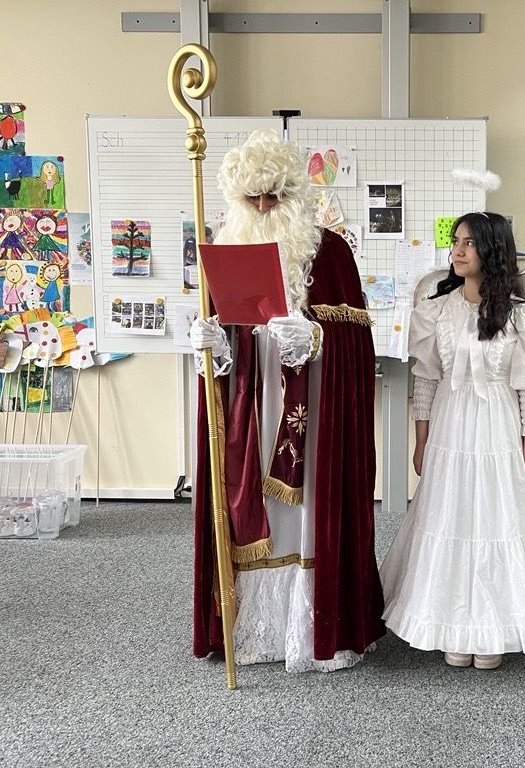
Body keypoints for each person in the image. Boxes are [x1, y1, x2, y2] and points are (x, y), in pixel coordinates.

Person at [189, 131, 385, 672]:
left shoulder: (332, 252)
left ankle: (320, 631)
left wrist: (317, 336)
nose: (262, 206)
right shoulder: (225, 251)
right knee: (254, 509)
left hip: (316, 412)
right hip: (252, 410)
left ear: (295, 194)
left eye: (273, 195)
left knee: (309, 515)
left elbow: (359, 345)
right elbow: (223, 338)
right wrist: (211, 344)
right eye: (251, 197)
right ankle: (257, 630)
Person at [380, 211, 525, 670]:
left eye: (469, 243)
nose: (457, 250)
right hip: (450, 426)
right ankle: (452, 626)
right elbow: (426, 379)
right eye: (456, 241)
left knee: (498, 519)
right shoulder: (436, 310)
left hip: (498, 427)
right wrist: (420, 440)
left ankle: (493, 627)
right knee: (449, 516)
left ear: (491, 249)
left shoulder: (524, 316)